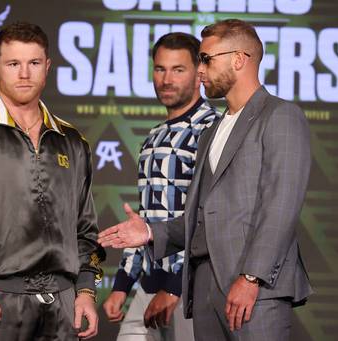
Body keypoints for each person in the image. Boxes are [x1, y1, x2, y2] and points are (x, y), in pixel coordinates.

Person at [98, 18, 312, 341]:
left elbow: (280, 208)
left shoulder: (279, 115)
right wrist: (150, 231)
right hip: (205, 291)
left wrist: (251, 278)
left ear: (239, 59)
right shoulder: (214, 130)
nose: (200, 71)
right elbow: (202, 218)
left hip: (255, 291)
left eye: (206, 60)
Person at [0, 22, 105, 340]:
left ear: (48, 67)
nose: (24, 73)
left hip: (63, 302)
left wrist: (85, 290)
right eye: (13, 64)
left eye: (34, 63)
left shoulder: (71, 139)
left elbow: (84, 226)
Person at [102, 32, 221, 341]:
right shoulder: (153, 137)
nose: (166, 79)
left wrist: (175, 286)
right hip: (149, 285)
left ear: (199, 74)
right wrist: (121, 286)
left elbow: (211, 217)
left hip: (192, 288)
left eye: (178, 70)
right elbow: (143, 222)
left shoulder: (213, 129)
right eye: (160, 69)